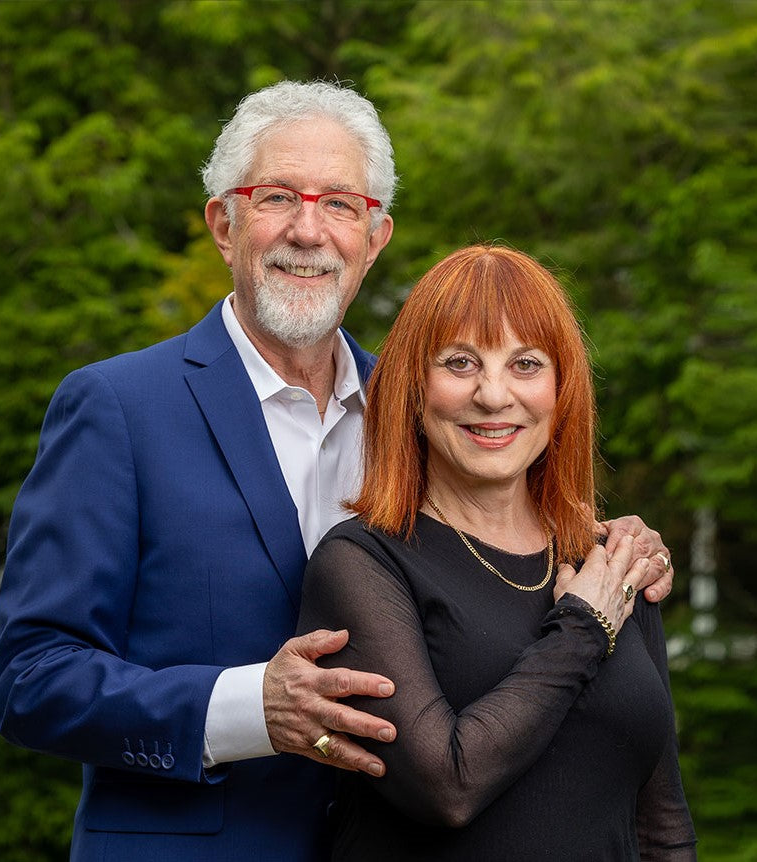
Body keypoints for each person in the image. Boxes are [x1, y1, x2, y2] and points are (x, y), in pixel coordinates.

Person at [0, 81, 676, 862]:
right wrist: (248, 708)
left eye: (341, 204)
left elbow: (510, 549)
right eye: (277, 196)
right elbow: (31, 679)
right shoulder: (118, 407)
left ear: (375, 236)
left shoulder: (424, 413)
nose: (309, 231)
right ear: (225, 222)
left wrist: (614, 543)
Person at [298, 244, 696, 861]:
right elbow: (445, 786)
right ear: (413, 389)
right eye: (460, 363)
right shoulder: (362, 564)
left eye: (526, 364)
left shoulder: (608, 559)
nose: (493, 395)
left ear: (562, 390)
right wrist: (582, 631)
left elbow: (663, 826)